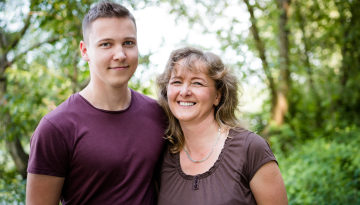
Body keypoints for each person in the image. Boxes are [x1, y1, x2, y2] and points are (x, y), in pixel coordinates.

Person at [26, 1, 166, 204]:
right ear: (85, 51)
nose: (120, 55)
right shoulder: (56, 128)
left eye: (128, 43)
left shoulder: (158, 114)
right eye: (106, 44)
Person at [156, 47, 288, 205]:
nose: (184, 91)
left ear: (217, 96)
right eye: (177, 82)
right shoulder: (160, 154)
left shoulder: (250, 149)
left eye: (197, 83)